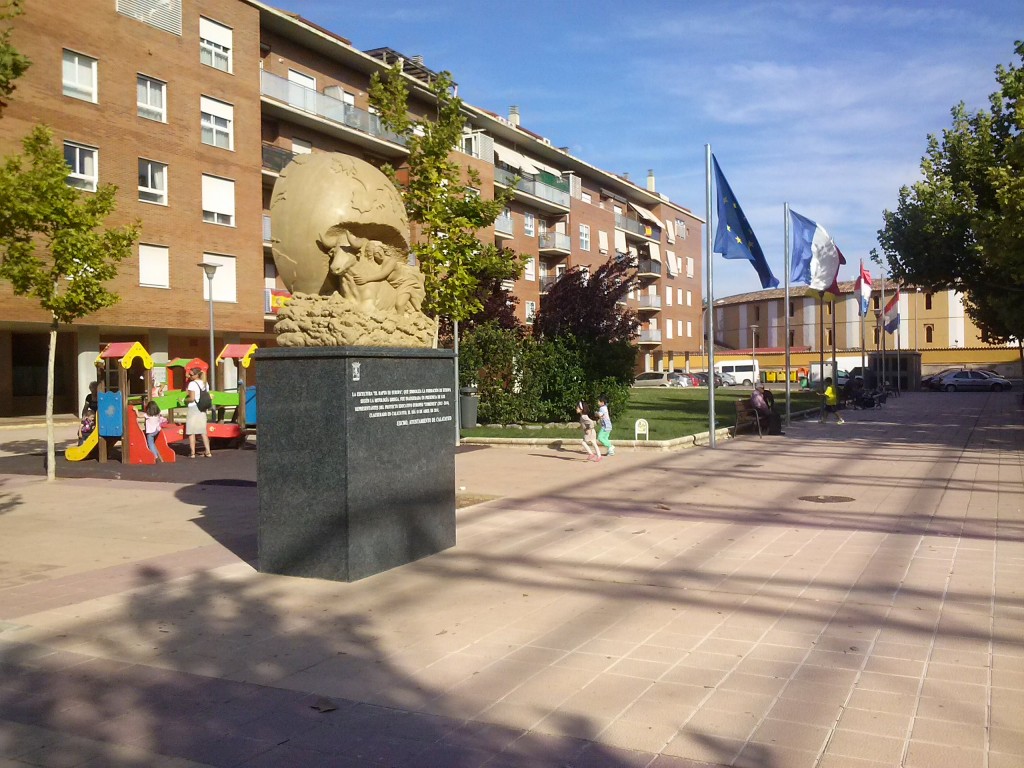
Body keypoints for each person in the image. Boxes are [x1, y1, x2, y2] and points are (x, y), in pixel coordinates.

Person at [186, 368, 212, 458]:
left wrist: (185, 400)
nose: (189, 376)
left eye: (191, 375)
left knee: (191, 431)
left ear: (196, 375)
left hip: (194, 407)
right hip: (202, 408)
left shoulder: (192, 384)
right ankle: (208, 451)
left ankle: (192, 453)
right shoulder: (205, 383)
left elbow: (192, 398)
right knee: (203, 431)